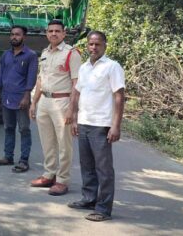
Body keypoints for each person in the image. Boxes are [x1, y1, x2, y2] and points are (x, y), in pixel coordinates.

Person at [68, 31, 125, 222]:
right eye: (91, 44)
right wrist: (75, 119)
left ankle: (103, 209)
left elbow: (119, 96)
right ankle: (89, 199)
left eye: (97, 44)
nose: (93, 47)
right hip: (84, 122)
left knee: (104, 169)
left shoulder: (112, 67)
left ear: (105, 45)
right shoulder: (84, 68)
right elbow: (77, 93)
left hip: (101, 125)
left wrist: (115, 126)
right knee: (87, 165)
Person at [29, 19, 81, 195]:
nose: (53, 34)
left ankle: (62, 180)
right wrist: (34, 102)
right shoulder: (45, 53)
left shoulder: (71, 53)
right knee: (47, 142)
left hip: (62, 102)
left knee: (64, 143)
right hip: (44, 100)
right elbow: (40, 79)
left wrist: (72, 109)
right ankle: (49, 174)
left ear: (64, 33)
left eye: (57, 31)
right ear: (46, 33)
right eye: (50, 31)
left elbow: (76, 83)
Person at [0, 25, 38, 173]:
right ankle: (8, 157)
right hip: (6, 97)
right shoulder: (6, 55)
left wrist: (26, 96)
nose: (14, 37)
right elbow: (0, 75)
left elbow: (31, 78)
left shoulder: (30, 55)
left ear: (24, 37)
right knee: (8, 128)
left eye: (17, 35)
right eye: (12, 34)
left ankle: (24, 160)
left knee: (24, 129)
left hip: (21, 99)